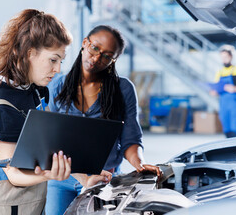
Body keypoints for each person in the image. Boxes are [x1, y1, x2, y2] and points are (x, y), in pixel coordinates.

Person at [0, 9, 109, 214]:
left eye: (61, 61)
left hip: (30, 205)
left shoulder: (35, 92)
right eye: (53, 60)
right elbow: (14, 174)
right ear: (30, 53)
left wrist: (85, 178)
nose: (57, 69)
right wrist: (50, 175)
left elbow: (50, 147)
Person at [46, 25, 162, 214]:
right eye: (95, 48)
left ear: (113, 60)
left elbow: (130, 139)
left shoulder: (123, 89)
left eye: (107, 56)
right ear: (85, 43)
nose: (97, 58)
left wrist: (139, 163)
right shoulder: (57, 86)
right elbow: (50, 138)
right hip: (62, 178)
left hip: (105, 178)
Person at [210, 45, 236, 138]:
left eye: (226, 57)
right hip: (223, 105)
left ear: (231, 57)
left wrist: (234, 88)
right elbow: (216, 89)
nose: (224, 60)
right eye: (222, 57)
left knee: (235, 128)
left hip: (234, 104)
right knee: (226, 129)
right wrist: (214, 92)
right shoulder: (219, 72)